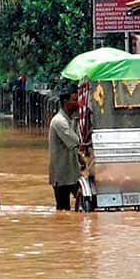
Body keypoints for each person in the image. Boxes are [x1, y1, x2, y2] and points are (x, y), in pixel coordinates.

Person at [48, 82, 82, 211]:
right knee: (63, 209)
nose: (77, 103)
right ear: (65, 102)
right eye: (74, 100)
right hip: (61, 175)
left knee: (83, 203)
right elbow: (76, 142)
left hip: (73, 173)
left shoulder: (71, 120)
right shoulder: (59, 122)